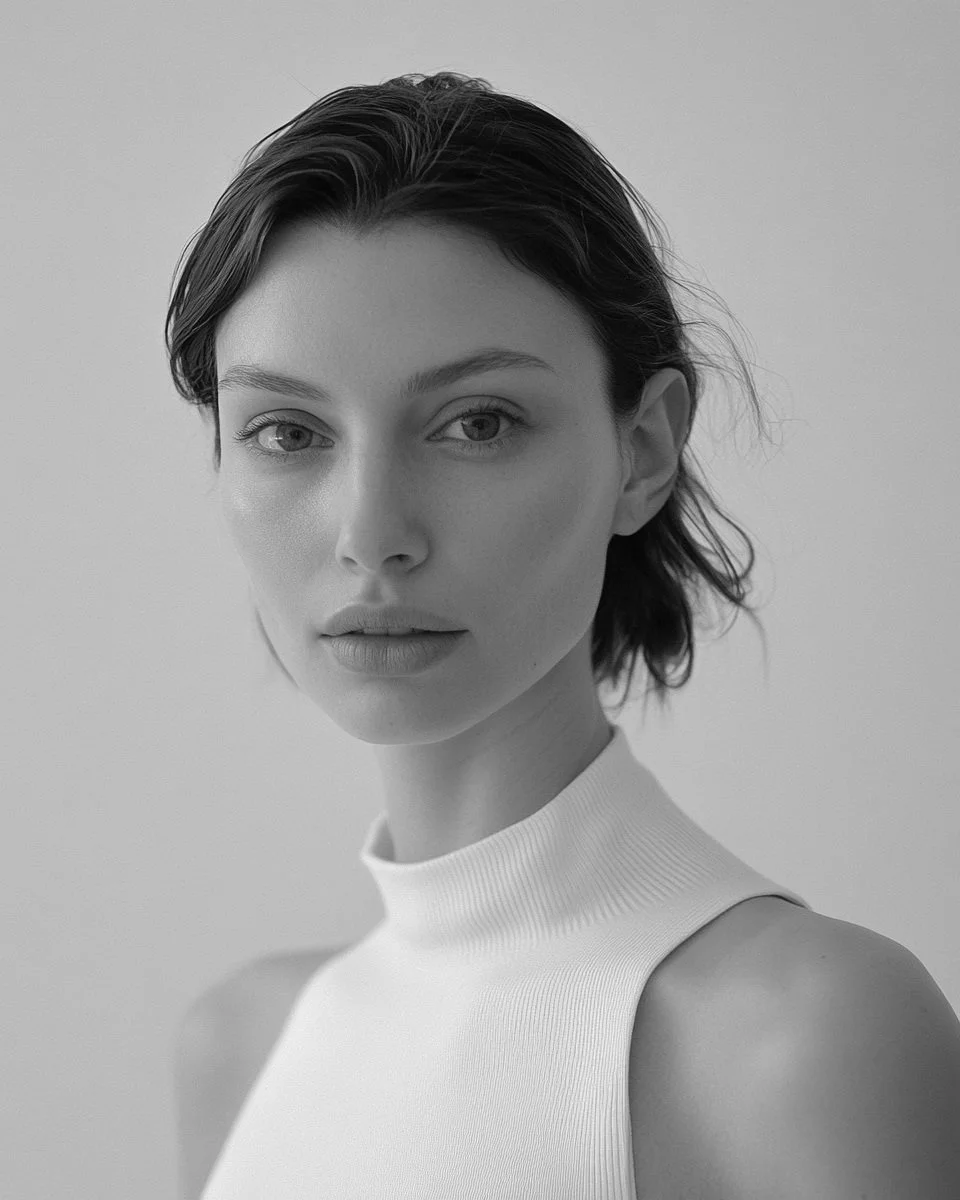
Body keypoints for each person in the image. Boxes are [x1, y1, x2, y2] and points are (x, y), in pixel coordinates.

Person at [166, 71, 960, 1200]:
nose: (370, 534)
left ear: (643, 450)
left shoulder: (813, 1043)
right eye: (287, 431)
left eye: (477, 423)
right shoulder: (237, 1048)